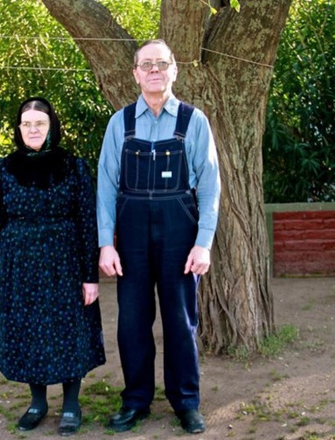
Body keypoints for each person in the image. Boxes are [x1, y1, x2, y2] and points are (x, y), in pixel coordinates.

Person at [97, 39, 221, 435]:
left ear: (174, 70)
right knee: (132, 321)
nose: (154, 70)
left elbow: (210, 187)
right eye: (146, 64)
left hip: (179, 232)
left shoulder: (193, 121)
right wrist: (105, 242)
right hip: (130, 231)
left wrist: (203, 241)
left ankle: (186, 402)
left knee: (180, 320)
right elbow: (105, 186)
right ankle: (135, 400)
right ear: (135, 73)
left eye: (161, 63)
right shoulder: (120, 123)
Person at [0, 97, 105, 437]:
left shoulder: (73, 166)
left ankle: (71, 404)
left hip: (65, 265)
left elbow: (87, 224)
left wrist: (89, 277)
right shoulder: (4, 169)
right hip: (17, 269)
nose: (33, 129)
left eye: (40, 123)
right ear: (18, 129)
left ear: (52, 127)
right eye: (27, 124)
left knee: (69, 330)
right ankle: (37, 403)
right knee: (26, 330)